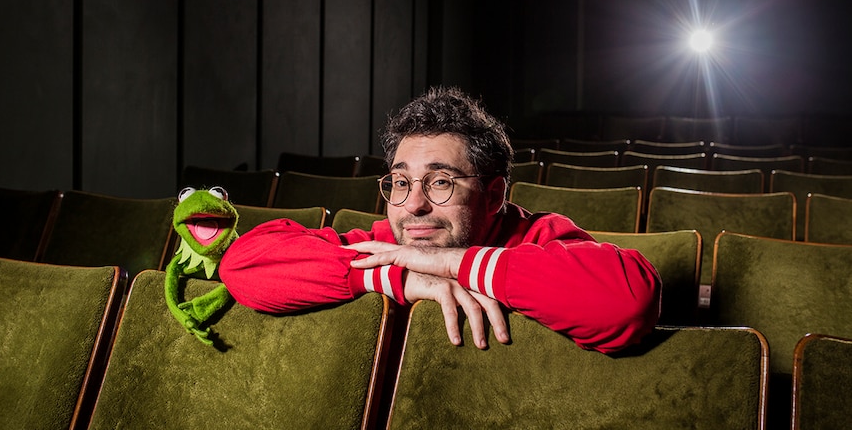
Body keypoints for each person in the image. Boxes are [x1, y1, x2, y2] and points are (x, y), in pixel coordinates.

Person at [220, 86, 661, 354]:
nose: (413, 206)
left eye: (440, 182)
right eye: (399, 182)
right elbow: (242, 264)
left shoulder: (538, 237)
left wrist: (451, 264)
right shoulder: (385, 247)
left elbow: (630, 301)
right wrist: (397, 278)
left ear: (493, 195)